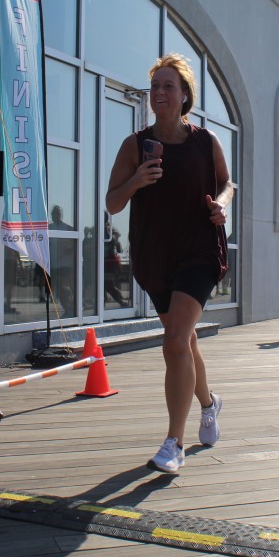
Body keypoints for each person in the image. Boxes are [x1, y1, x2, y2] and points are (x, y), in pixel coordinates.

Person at [106, 52, 232, 474]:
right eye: (155, 86)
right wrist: (136, 180)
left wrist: (222, 204)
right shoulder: (134, 145)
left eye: (168, 86)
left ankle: (173, 444)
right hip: (155, 256)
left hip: (199, 249)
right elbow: (112, 203)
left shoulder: (205, 141)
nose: (159, 92)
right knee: (185, 340)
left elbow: (227, 183)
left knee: (175, 340)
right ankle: (209, 403)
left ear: (184, 96)